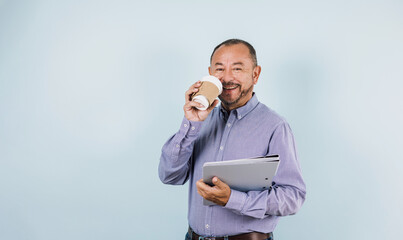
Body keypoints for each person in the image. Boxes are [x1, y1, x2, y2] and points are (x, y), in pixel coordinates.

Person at [159, 39, 306, 240]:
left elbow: (293, 197)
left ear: (255, 74)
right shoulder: (200, 120)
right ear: (210, 74)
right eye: (220, 69)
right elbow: (169, 175)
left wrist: (233, 199)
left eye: (237, 69)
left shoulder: (275, 126)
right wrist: (191, 123)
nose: (227, 78)